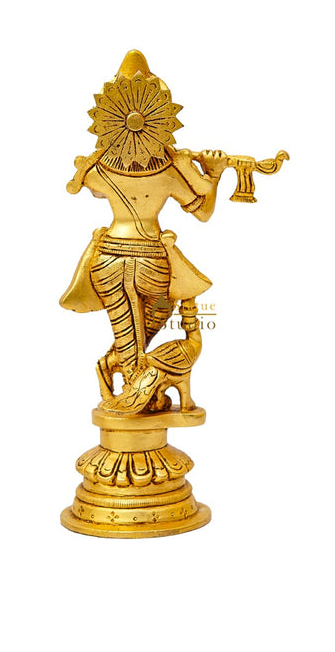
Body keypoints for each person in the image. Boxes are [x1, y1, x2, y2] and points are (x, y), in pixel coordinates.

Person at [60, 51, 226, 412]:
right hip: (152, 259)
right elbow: (203, 211)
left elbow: (83, 186)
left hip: (107, 259)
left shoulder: (98, 169)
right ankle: (138, 392)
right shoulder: (171, 170)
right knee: (154, 317)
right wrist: (213, 173)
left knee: (126, 332)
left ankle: (123, 380)